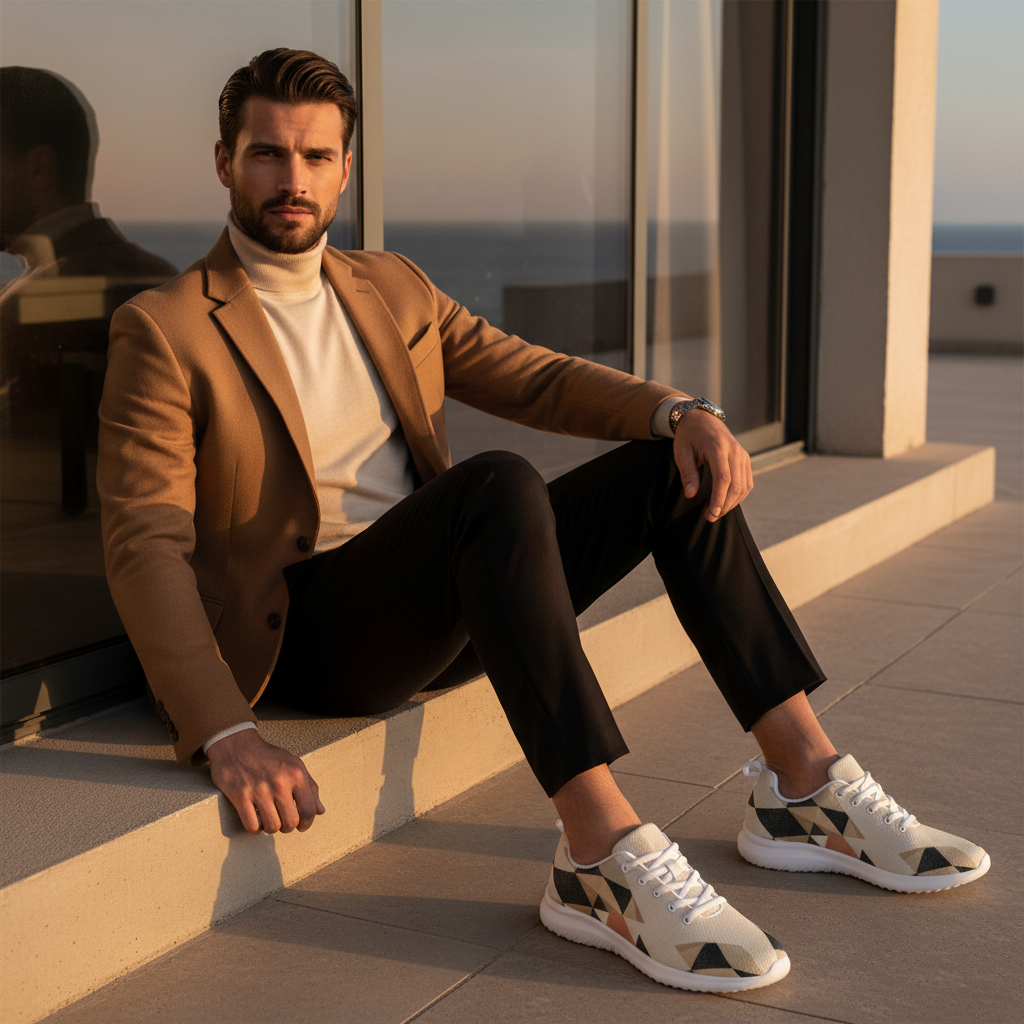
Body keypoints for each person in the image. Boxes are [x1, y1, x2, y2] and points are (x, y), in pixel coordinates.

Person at [97, 48, 989, 995]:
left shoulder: (387, 286)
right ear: (226, 162)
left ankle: (804, 784)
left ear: (345, 169)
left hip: (448, 599)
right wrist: (225, 732)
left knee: (669, 467)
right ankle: (598, 850)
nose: (293, 179)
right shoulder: (166, 328)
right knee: (496, 484)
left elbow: (534, 376)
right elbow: (145, 541)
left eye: (316, 156)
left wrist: (679, 410)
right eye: (268, 154)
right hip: (316, 633)